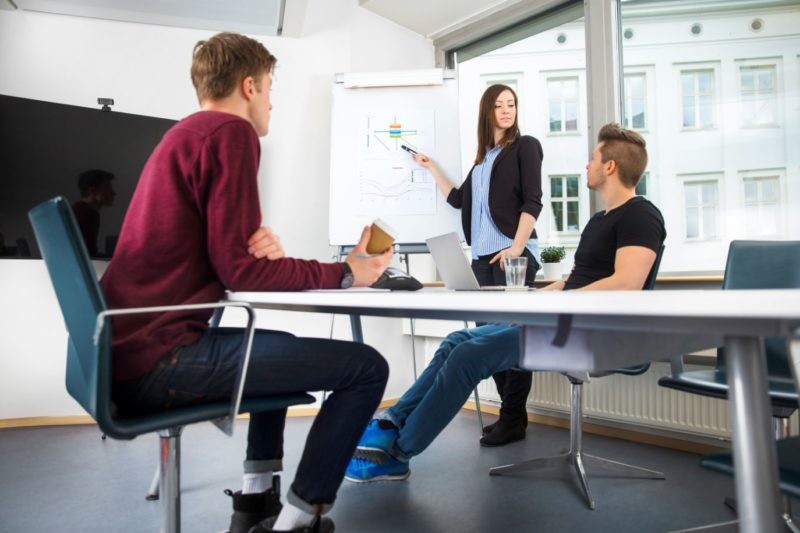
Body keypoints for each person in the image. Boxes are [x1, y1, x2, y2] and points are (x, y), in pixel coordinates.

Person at [100, 32, 393, 533]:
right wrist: (348, 273)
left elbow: (229, 258)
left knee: (275, 345)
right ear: (251, 85)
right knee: (367, 368)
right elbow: (243, 272)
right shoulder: (231, 135)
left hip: (126, 354)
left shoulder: (186, 136)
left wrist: (257, 249)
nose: (274, 104)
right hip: (160, 361)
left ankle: (256, 501)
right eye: (272, 89)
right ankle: (301, 518)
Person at [344, 122, 666, 483]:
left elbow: (627, 282)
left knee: (469, 356)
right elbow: (574, 280)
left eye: (592, 158)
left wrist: (559, 303)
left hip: (590, 334)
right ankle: (391, 421)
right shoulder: (598, 221)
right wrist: (538, 299)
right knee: (456, 342)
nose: (586, 165)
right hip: (560, 321)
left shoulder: (641, 213)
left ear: (610, 167)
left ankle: (399, 453)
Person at [411, 84, 543, 446]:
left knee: (510, 341)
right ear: (487, 112)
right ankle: (513, 415)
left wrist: (517, 247)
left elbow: (533, 200)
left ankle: (512, 418)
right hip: (483, 260)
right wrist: (431, 167)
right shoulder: (482, 161)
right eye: (499, 105)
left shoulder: (525, 147)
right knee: (488, 342)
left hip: (511, 257)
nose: (506, 110)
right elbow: (458, 199)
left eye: (511, 104)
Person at [71, 168, 116, 257]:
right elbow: (90, 255)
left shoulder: (76, 209)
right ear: (94, 191)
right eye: (108, 188)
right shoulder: (89, 213)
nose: (114, 193)